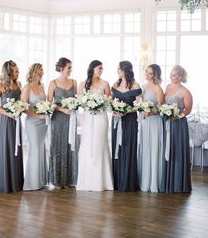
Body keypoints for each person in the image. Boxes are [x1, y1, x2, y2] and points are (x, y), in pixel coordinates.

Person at [76, 60, 113, 191]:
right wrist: (87, 103)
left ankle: (102, 182)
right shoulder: (82, 84)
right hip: (87, 117)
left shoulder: (105, 84)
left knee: (99, 145)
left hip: (101, 117)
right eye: (99, 68)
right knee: (87, 144)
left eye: (102, 69)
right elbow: (79, 102)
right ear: (92, 68)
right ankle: (86, 181)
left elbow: (109, 102)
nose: (101, 71)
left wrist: (100, 104)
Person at [0, 60, 24, 192]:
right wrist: (7, 113)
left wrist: (20, 109)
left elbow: (21, 101)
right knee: (6, 148)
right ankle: (4, 182)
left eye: (18, 70)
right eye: (16, 71)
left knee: (16, 148)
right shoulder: (0, 85)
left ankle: (16, 182)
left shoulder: (19, 84)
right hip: (5, 121)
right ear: (9, 72)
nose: (18, 73)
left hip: (16, 121)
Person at [161, 65, 192, 193]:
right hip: (167, 122)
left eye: (174, 75)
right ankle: (167, 182)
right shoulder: (168, 87)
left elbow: (187, 110)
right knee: (168, 150)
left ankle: (178, 183)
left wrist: (176, 116)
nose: (171, 77)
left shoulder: (185, 92)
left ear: (180, 77)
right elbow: (162, 102)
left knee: (177, 151)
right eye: (171, 75)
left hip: (178, 125)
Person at [48, 57, 78, 188]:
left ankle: (69, 179)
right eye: (69, 68)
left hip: (71, 118)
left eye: (71, 67)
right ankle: (58, 180)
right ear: (61, 68)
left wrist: (73, 107)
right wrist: (62, 109)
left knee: (70, 145)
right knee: (57, 146)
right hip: (57, 119)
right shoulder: (53, 83)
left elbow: (78, 100)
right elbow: (48, 104)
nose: (71, 70)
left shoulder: (74, 82)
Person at [111, 61, 141, 191]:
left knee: (128, 148)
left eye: (119, 68)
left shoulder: (135, 85)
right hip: (116, 120)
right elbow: (109, 102)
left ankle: (128, 182)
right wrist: (114, 110)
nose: (117, 70)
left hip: (129, 120)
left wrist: (127, 111)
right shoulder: (115, 84)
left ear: (126, 70)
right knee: (117, 148)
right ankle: (117, 181)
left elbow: (140, 104)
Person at [138, 64, 164, 192]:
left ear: (155, 75)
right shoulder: (143, 87)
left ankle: (154, 182)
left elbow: (161, 108)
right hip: (145, 122)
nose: (147, 75)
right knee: (145, 149)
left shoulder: (158, 88)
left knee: (154, 149)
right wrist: (140, 106)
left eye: (150, 73)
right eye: (146, 72)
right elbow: (140, 103)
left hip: (154, 122)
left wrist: (151, 112)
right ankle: (144, 181)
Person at [21, 63, 48, 190]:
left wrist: (47, 110)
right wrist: (38, 116)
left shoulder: (42, 86)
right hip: (32, 123)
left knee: (41, 150)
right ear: (34, 72)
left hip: (43, 123)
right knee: (35, 150)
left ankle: (41, 181)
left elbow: (45, 103)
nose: (42, 72)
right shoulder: (27, 87)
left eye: (42, 70)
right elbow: (23, 108)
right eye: (39, 70)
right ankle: (32, 183)